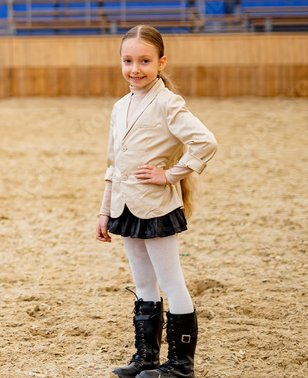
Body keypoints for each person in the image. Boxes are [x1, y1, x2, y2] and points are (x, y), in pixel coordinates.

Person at [96, 25, 218, 378]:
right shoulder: (119, 106)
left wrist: (171, 175)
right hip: (124, 207)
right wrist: (105, 210)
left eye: (145, 61)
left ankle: (180, 366)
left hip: (156, 207)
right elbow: (112, 164)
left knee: (172, 282)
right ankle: (146, 357)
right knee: (144, 284)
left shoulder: (168, 103)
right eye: (128, 60)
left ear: (161, 62)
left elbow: (205, 143)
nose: (135, 68)